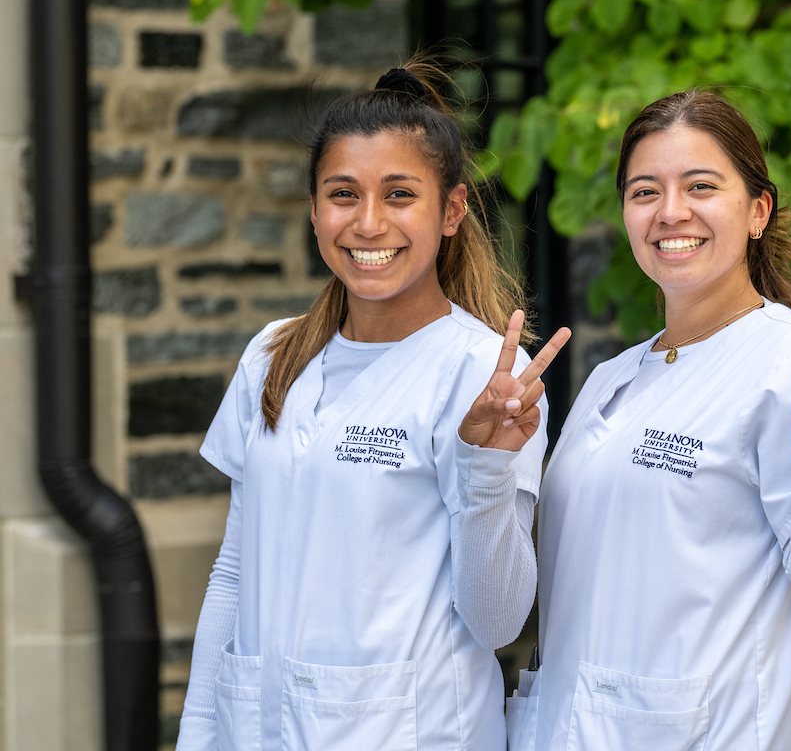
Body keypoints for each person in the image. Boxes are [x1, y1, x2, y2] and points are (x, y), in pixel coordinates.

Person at [176, 63, 570, 751]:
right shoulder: (274, 357)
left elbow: (499, 621)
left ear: (450, 212)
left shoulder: (482, 377)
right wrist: (198, 736)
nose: (367, 222)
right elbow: (235, 570)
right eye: (342, 194)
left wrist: (484, 470)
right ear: (313, 209)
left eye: (398, 195)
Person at [506, 90, 791, 751]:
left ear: (757, 211)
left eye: (700, 186)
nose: (671, 212)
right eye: (644, 191)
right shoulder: (614, 377)